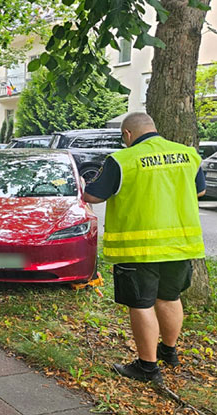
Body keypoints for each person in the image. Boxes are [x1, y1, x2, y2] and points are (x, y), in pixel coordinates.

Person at [83, 112, 206, 384]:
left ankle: (147, 368)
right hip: (179, 246)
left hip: (138, 249)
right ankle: (169, 352)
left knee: (141, 304)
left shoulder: (122, 160)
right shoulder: (188, 154)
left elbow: (93, 195)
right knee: (170, 298)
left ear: (127, 134)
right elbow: (199, 192)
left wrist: (84, 186)